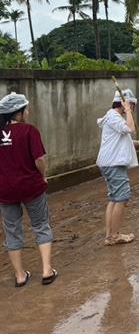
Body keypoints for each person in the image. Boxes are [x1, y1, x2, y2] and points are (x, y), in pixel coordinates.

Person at [0, 92, 57, 287]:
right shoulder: (29, 131)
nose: (28, 111)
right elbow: (39, 159)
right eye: (26, 108)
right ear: (19, 112)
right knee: (41, 225)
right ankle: (47, 270)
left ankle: (20, 276)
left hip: (5, 191)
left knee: (12, 231)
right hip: (31, 187)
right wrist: (42, 175)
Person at [97, 88, 139, 246]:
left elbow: (121, 138)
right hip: (113, 164)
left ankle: (110, 235)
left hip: (110, 163)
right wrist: (128, 112)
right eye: (131, 105)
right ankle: (114, 235)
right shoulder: (114, 116)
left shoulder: (113, 118)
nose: (132, 109)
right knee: (121, 198)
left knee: (114, 198)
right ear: (126, 104)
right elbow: (130, 129)